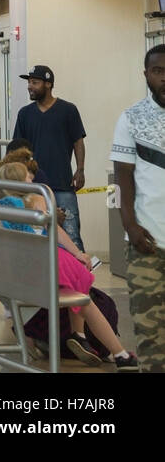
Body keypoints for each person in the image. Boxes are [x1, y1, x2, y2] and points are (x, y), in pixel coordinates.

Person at [0, 163, 137, 370]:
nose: (32, 178)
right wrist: (78, 252)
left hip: (20, 270)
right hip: (46, 263)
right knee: (83, 289)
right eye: (27, 176)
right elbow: (54, 229)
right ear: (18, 181)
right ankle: (116, 352)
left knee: (78, 286)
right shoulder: (35, 198)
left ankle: (82, 337)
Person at [113, 44, 165, 372]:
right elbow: (122, 178)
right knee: (151, 339)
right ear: (146, 75)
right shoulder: (131, 118)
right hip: (149, 245)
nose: (164, 78)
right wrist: (130, 226)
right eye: (158, 71)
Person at [14, 65, 87, 252]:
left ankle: (80, 278)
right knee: (37, 238)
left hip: (62, 185)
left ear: (48, 84)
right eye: (29, 82)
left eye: (35, 82)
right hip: (34, 187)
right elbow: (18, 149)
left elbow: (78, 141)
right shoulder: (24, 114)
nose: (30, 86)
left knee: (72, 238)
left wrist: (80, 170)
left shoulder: (68, 110)